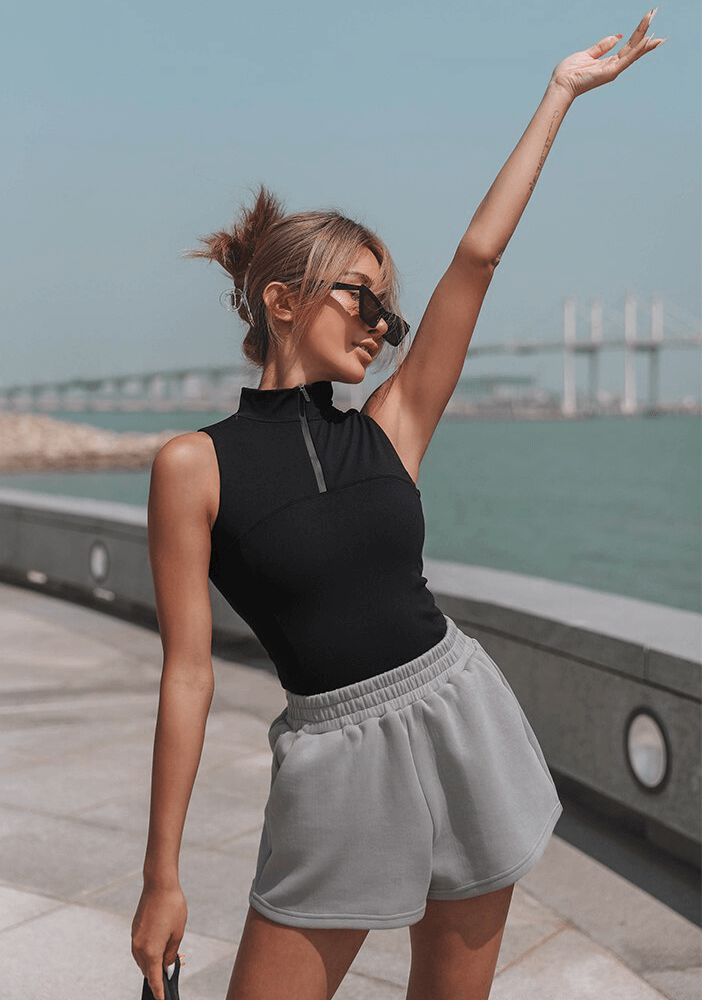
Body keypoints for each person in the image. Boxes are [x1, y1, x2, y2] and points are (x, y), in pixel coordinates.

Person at [131, 12, 664, 1000]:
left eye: (387, 308)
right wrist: (160, 873)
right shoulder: (191, 466)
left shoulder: (391, 426)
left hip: (459, 714)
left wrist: (559, 94)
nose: (381, 324)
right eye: (359, 299)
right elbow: (188, 676)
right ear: (282, 302)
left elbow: (478, 258)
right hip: (332, 756)